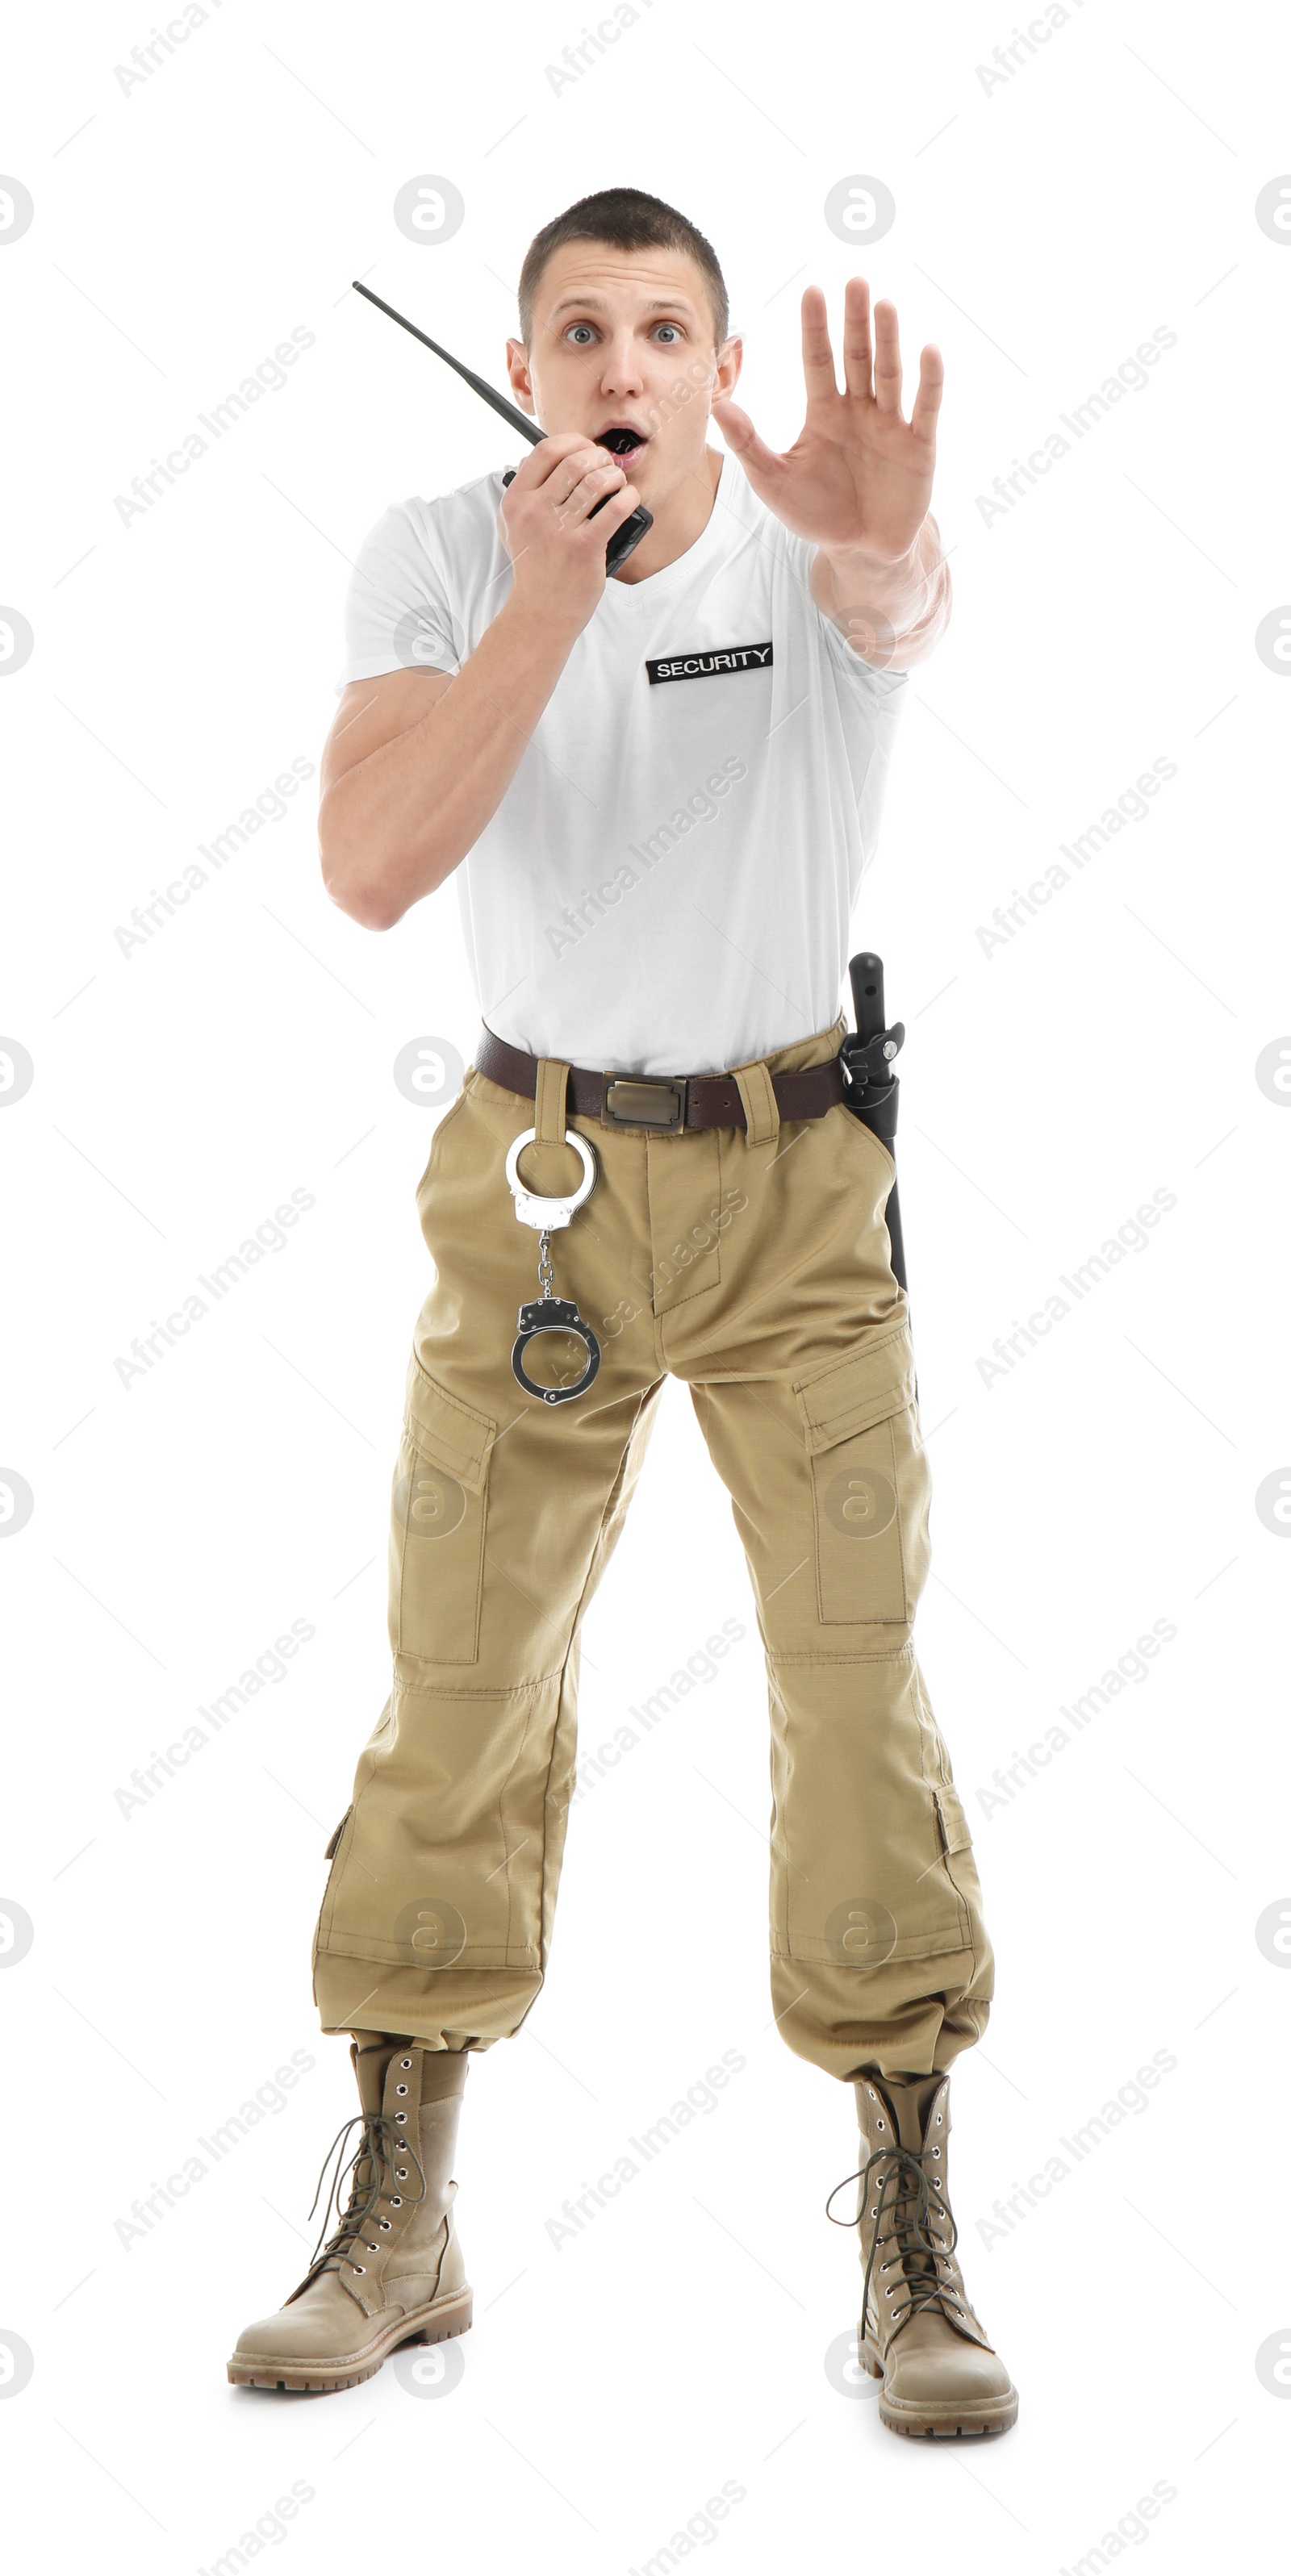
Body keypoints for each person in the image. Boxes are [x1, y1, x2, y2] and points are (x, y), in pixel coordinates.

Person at [228, 186, 1017, 2439]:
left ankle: (912, 2220)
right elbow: (374, 866)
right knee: (456, 1672)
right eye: (579, 327)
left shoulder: (810, 543)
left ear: (716, 369)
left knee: (853, 1680)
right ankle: (403, 2208)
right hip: (538, 1193)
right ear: (527, 363)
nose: (622, 364)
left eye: (665, 327)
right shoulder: (439, 551)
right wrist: (546, 606)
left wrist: (881, 544)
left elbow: (902, 593)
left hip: (795, 1195)